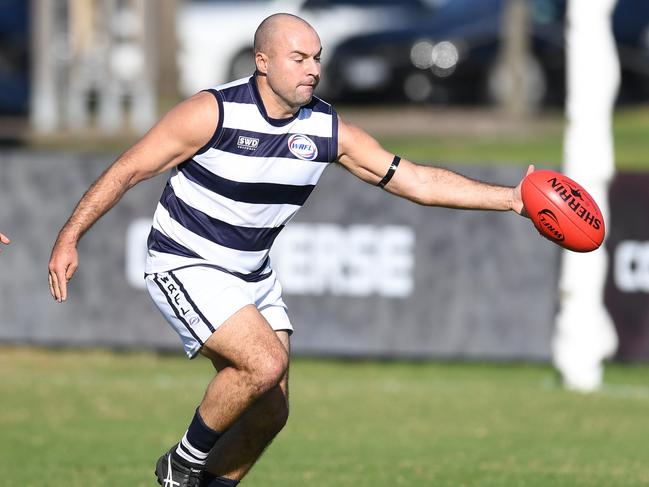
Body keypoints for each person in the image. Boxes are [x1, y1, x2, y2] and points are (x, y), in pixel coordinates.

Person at [48, 13, 533, 487]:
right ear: (262, 61)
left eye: (317, 58)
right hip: (186, 260)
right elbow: (128, 169)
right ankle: (181, 465)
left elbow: (417, 181)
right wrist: (70, 236)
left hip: (251, 274)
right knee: (264, 363)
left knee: (272, 411)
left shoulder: (325, 128)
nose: (313, 69)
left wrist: (511, 199)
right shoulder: (212, 112)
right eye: (299, 58)